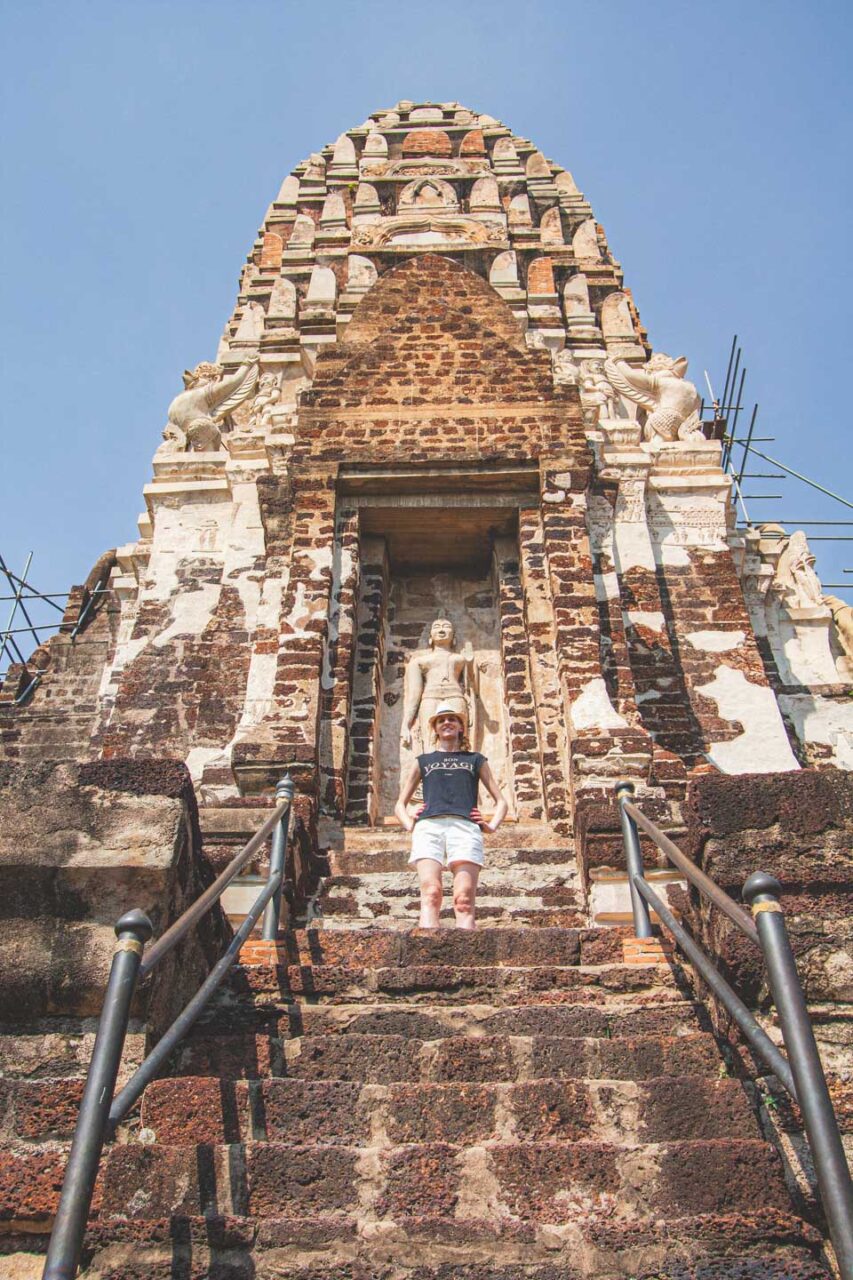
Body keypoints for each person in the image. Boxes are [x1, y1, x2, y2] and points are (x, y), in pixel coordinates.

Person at [394, 702, 508, 930]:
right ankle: (427, 950)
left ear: (460, 727)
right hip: (429, 827)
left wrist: (491, 825)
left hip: (464, 827)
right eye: (441, 720)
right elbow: (399, 804)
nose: (447, 723)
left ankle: (469, 954)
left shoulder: (475, 760)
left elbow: (501, 800)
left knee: (464, 899)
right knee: (431, 893)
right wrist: (410, 823)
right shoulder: (423, 761)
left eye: (452, 719)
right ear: (435, 728)